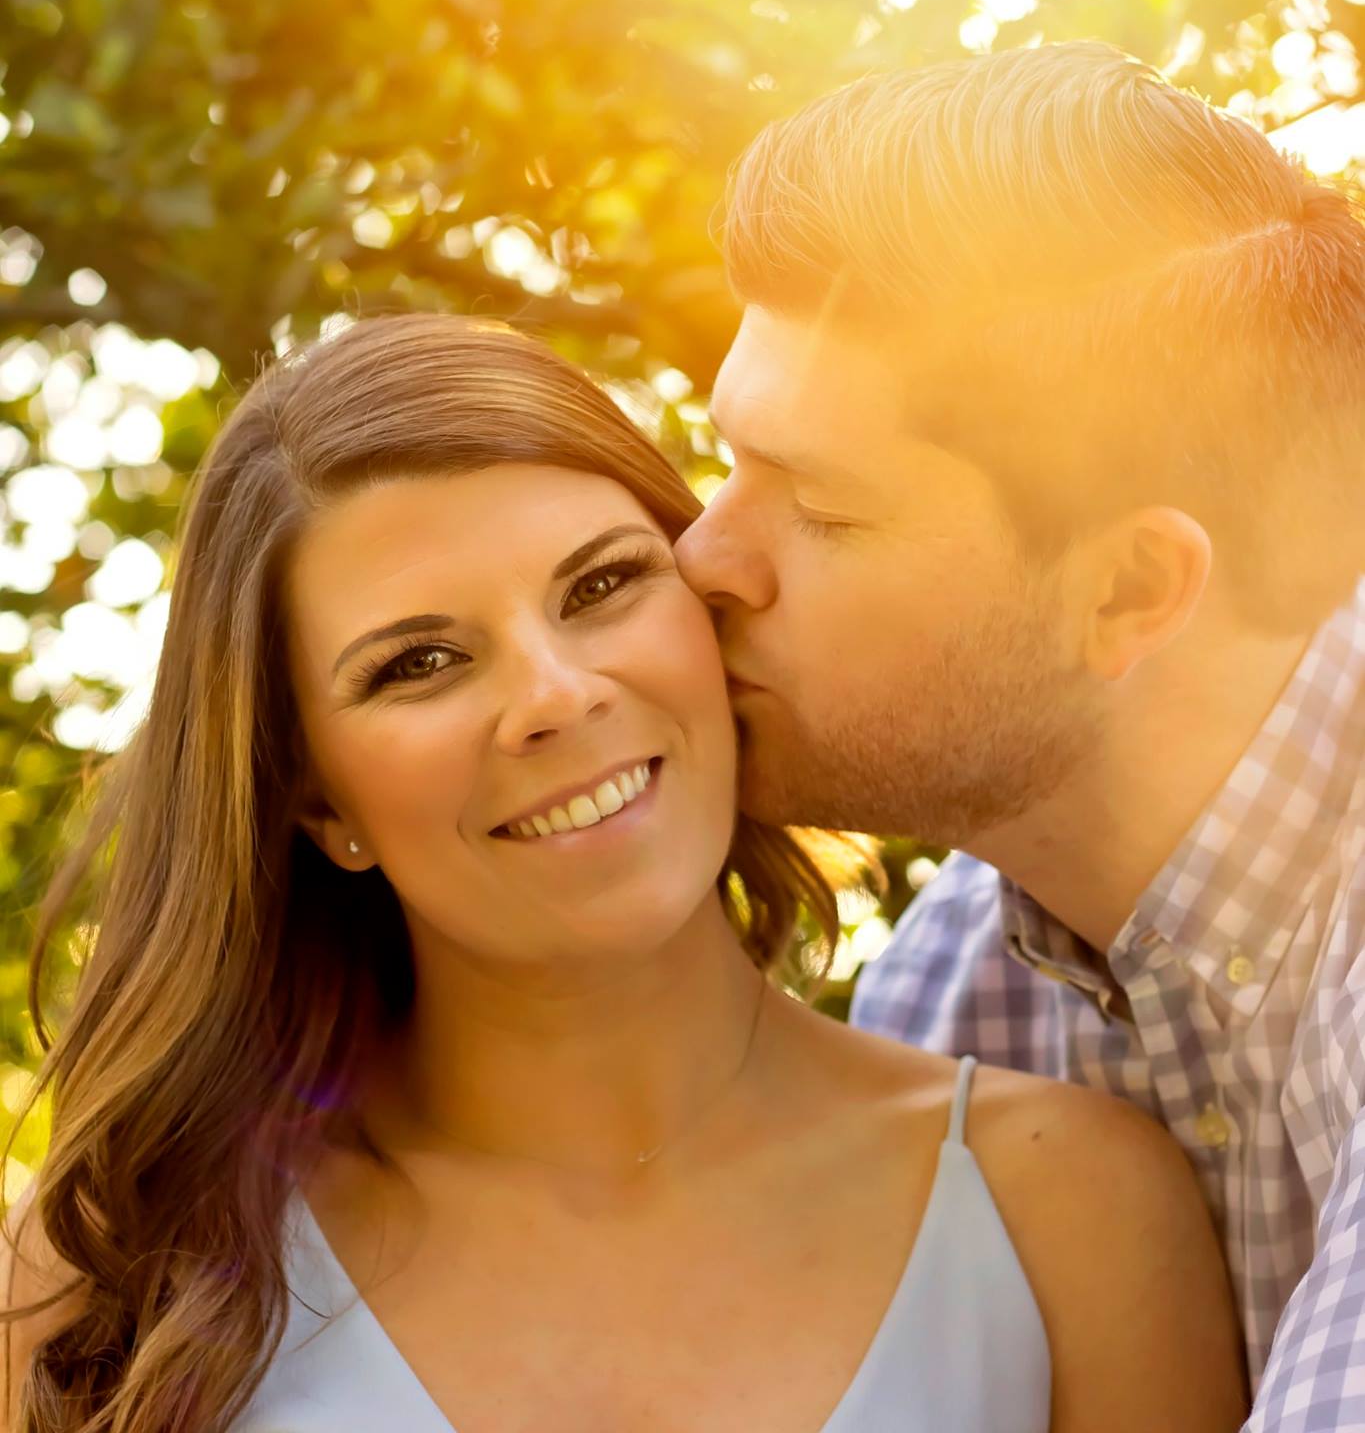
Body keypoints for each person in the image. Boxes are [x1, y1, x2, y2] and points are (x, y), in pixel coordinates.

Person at [1, 312, 1243, 1433]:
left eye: (601, 585)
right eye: (420, 662)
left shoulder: (1067, 1212)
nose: (555, 695)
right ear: (316, 796)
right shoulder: (109, 1279)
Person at [671, 38, 1365, 1433]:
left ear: (1126, 591)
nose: (704, 559)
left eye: (821, 506)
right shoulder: (945, 998)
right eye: (729, 461)